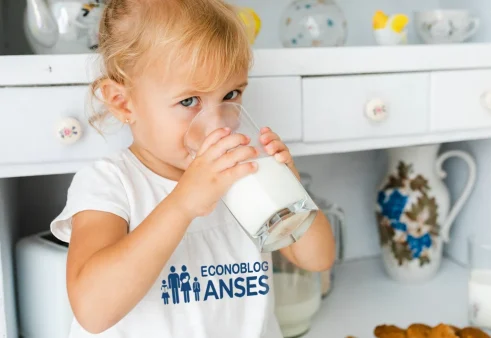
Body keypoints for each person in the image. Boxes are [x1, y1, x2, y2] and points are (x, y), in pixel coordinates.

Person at [49, 0, 335, 337]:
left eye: (231, 94)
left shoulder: (240, 173)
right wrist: (182, 203)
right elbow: (92, 311)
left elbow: (318, 258)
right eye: (189, 101)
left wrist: (291, 190)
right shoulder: (110, 183)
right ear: (123, 102)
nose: (216, 125)